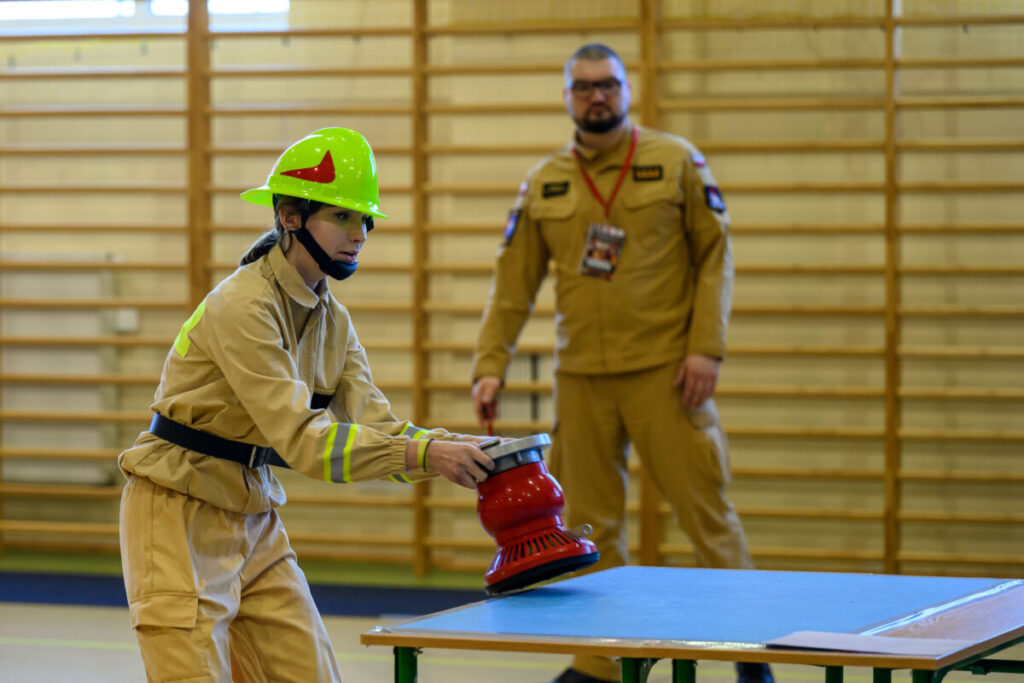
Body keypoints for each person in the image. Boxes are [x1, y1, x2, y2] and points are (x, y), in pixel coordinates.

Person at [118, 127, 496, 682]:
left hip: (253, 515)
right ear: (290, 216)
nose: (359, 234)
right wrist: (427, 457)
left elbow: (378, 426)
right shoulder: (244, 305)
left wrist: (445, 445)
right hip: (178, 512)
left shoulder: (333, 319)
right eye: (342, 216)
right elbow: (306, 443)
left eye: (365, 220)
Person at [470, 45, 773, 683]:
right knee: (588, 524)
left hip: (668, 372)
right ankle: (602, 664)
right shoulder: (545, 182)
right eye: (582, 88)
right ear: (567, 98)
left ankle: (753, 657)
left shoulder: (675, 162)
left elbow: (717, 257)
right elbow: (512, 282)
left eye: (606, 85)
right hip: (581, 378)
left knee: (707, 515)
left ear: (626, 89)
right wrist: (490, 364)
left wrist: (705, 348)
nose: (596, 97)